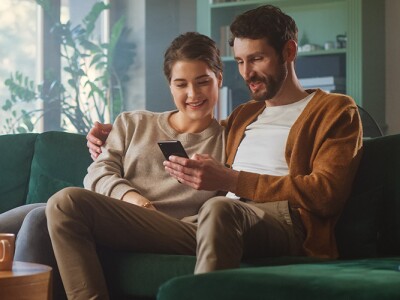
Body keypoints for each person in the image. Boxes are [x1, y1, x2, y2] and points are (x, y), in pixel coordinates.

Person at [88, 3, 363, 274]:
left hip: (284, 221)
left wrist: (231, 180)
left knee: (219, 208)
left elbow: (326, 193)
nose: (246, 73)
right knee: (65, 206)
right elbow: (199, 124)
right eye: (241, 61)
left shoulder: (334, 110)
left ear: (288, 51)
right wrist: (117, 134)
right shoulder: (244, 115)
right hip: (217, 219)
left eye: (257, 59)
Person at [46, 32, 225, 299]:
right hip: (126, 218)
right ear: (170, 86)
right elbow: (98, 171)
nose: (193, 94)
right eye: (181, 84)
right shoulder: (134, 122)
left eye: (203, 82)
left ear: (218, 80)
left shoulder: (231, 138)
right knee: (47, 213)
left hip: (183, 231)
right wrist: (136, 201)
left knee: (64, 202)